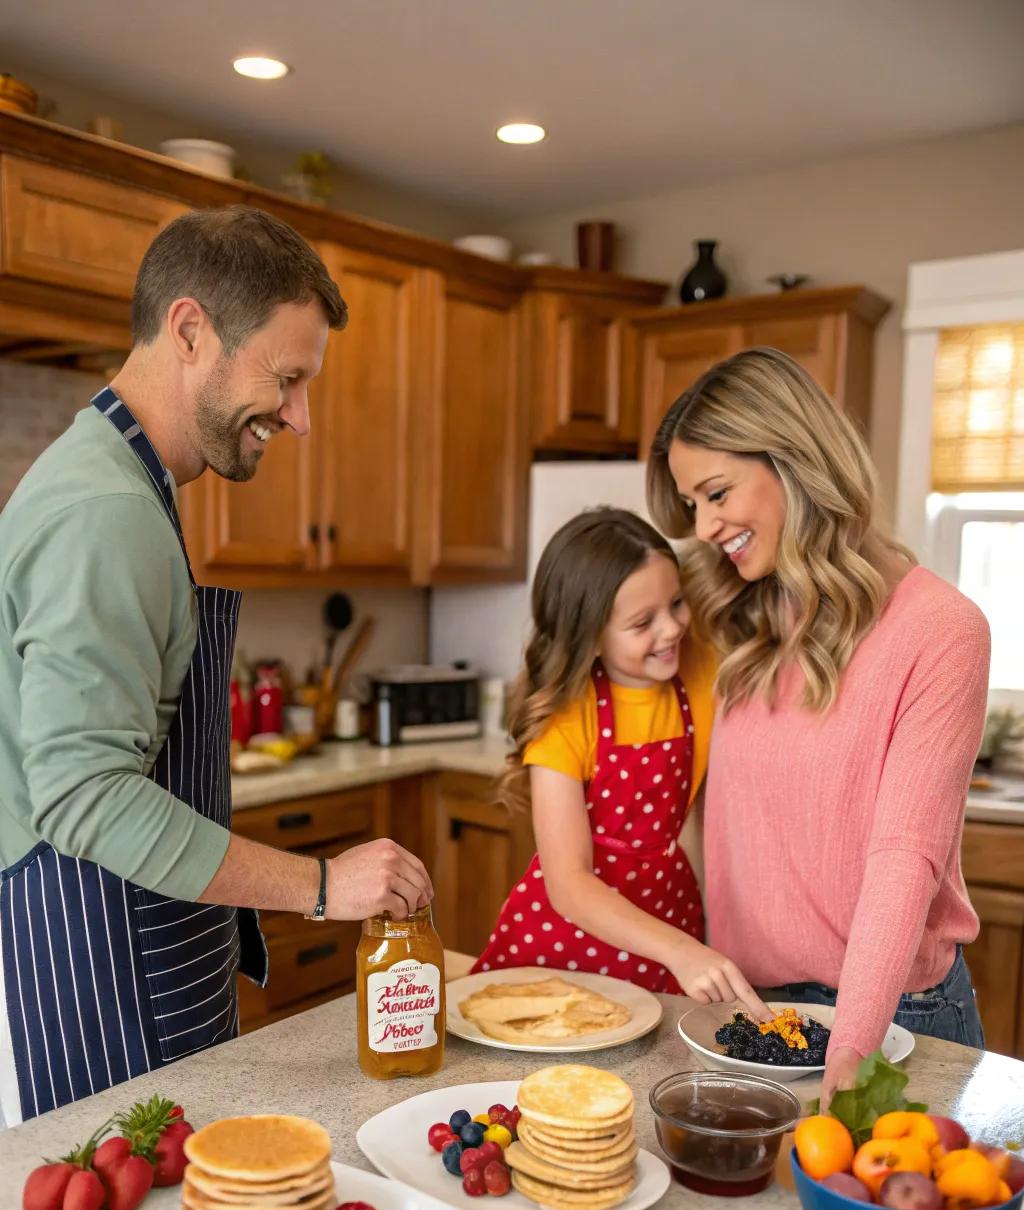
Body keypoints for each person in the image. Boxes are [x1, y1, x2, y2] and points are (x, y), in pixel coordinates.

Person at [0, 206, 431, 1126]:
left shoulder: (120, 485)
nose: (301, 418)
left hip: (133, 949)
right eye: (287, 378)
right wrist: (321, 886)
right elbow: (83, 796)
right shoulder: (104, 514)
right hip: (84, 972)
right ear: (191, 330)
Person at [647, 347, 989, 1102]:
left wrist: (851, 1061)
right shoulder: (735, 615)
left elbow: (904, 861)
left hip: (897, 1014)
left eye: (716, 493)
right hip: (756, 1009)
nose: (703, 527)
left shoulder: (942, 629)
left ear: (793, 462)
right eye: (691, 505)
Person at [472, 507, 769, 1017]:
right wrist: (681, 950)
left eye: (676, 603)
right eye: (641, 622)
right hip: (568, 937)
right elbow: (568, 883)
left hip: (670, 911)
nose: (672, 628)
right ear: (588, 636)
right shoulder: (566, 718)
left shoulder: (701, 671)